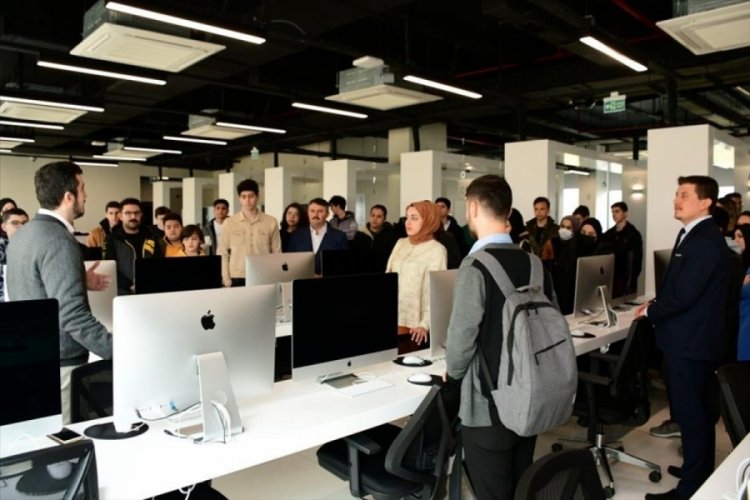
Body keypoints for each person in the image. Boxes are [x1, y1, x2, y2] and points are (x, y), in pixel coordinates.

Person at [446, 174, 551, 499]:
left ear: (472, 208)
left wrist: (451, 376)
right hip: (530, 397)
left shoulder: (475, 266)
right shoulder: (534, 263)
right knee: (521, 485)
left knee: (492, 491)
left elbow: (461, 339)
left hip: (488, 406)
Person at [636, 176, 730, 500]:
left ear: (705, 202)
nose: (677, 200)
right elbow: (682, 286)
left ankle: (690, 489)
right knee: (696, 414)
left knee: (692, 416)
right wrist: (656, 303)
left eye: (685, 195)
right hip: (691, 339)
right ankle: (697, 471)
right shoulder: (693, 234)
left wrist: (651, 311)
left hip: (690, 342)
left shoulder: (704, 241)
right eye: (677, 194)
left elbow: (685, 296)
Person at [6, 161, 112, 424]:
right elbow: (72, 316)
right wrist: (120, 350)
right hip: (63, 362)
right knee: (67, 438)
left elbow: (36, 284)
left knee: (47, 435)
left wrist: (79, 279)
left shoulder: (23, 234)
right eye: (82, 187)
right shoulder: (59, 240)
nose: (86, 194)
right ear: (68, 196)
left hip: (34, 355)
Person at [386, 201, 447, 353]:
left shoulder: (437, 250)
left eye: (414, 218)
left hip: (416, 325)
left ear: (428, 220)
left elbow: (437, 292)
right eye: (407, 217)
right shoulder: (401, 243)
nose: (408, 222)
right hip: (392, 316)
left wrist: (425, 324)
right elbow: (388, 277)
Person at [217, 179, 281, 287]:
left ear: (258, 196)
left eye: (251, 196)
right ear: (239, 199)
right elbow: (223, 252)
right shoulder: (229, 223)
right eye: (244, 197)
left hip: (263, 275)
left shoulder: (271, 222)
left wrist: (275, 277)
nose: (247, 200)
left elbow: (276, 252)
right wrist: (226, 278)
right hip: (237, 277)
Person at [103, 197, 164, 295]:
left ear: (141, 215)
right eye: (128, 213)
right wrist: (129, 286)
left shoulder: (151, 236)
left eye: (137, 213)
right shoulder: (112, 239)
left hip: (150, 291)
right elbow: (109, 267)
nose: (133, 216)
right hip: (123, 293)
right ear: (120, 216)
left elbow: (159, 263)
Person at [287, 197, 347, 274]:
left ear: (327, 214)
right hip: (302, 280)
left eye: (320, 211)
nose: (315, 215)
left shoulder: (339, 237)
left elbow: (342, 265)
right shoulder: (296, 236)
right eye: (312, 211)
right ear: (308, 213)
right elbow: (290, 263)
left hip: (328, 280)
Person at [602, 201, 643, 297]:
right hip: (611, 276)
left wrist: (632, 278)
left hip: (626, 277)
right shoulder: (608, 234)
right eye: (612, 212)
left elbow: (637, 259)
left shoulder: (633, 234)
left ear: (625, 213)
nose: (614, 214)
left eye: (617, 211)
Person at [549, 215, 581, 315]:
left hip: (569, 291)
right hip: (555, 287)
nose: (564, 230)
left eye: (568, 228)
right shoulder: (553, 242)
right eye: (562, 226)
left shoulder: (576, 247)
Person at [0, 208, 29, 300]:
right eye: (15, 223)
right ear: (4, 227)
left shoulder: (35, 247)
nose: (21, 227)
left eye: (24, 223)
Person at [361, 204, 397, 271]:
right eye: (373, 215)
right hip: (364, 272)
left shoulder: (391, 236)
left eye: (379, 216)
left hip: (383, 272)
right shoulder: (360, 234)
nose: (375, 219)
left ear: (384, 219)